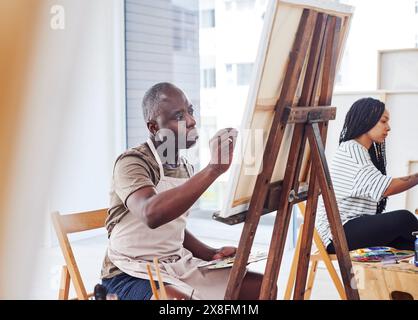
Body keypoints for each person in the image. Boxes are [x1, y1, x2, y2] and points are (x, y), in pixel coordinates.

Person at [100, 82, 269, 300]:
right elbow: (151, 214)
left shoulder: (185, 167)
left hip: (176, 264)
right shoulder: (132, 162)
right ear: (153, 127)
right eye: (178, 117)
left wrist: (210, 253)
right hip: (130, 272)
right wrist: (213, 169)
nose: (191, 121)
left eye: (190, 111)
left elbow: (173, 227)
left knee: (261, 287)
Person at [316, 97, 418, 254]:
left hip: (346, 228)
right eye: (384, 121)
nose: (388, 127)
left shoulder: (361, 151)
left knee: (408, 243)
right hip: (336, 232)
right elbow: (386, 188)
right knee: (404, 219)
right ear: (367, 120)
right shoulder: (352, 150)